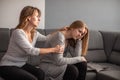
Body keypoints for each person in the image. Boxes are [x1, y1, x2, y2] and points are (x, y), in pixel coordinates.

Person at [0, 6, 63, 80]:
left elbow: (47, 38)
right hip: (7, 66)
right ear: (28, 18)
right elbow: (31, 50)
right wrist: (54, 49)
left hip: (21, 64)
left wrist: (60, 31)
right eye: (37, 16)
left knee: (40, 73)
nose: (39, 19)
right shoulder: (18, 33)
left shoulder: (34, 33)